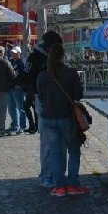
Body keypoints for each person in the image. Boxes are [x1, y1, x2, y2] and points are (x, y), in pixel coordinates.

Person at [36, 42, 88, 197]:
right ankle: (73, 185)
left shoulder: (42, 75)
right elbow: (78, 96)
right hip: (67, 118)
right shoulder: (71, 73)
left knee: (56, 152)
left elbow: (41, 96)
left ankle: (59, 187)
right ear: (63, 56)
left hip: (48, 118)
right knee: (73, 150)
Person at [24, 30, 63, 187]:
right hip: (43, 101)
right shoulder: (35, 58)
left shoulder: (51, 57)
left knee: (56, 141)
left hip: (55, 102)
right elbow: (25, 78)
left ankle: (54, 173)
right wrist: (37, 92)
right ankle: (47, 175)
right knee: (47, 140)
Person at [7, 47, 27, 134]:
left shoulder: (21, 63)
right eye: (12, 53)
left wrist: (20, 85)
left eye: (15, 53)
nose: (13, 54)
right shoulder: (11, 62)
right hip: (11, 87)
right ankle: (15, 125)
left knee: (21, 107)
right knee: (11, 108)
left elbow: (24, 75)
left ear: (19, 53)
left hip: (17, 89)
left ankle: (23, 126)